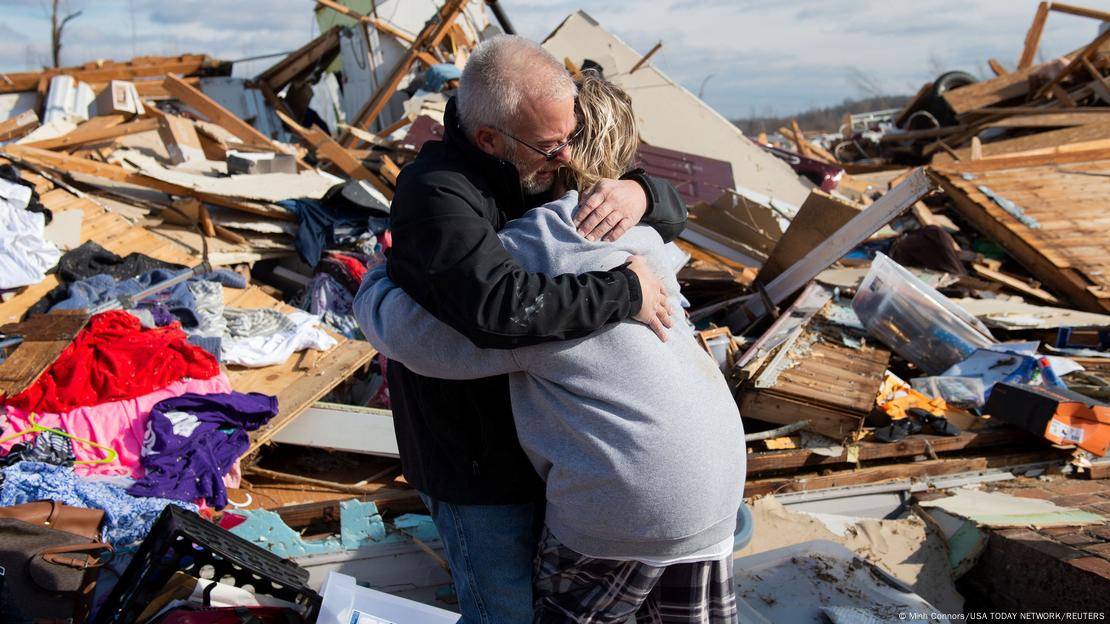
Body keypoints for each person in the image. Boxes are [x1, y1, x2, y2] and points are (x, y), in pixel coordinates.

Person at [356, 72, 745, 623]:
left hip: (627, 504)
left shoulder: (538, 250)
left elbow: (421, 335)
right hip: (715, 490)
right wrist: (642, 198)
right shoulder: (643, 241)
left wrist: (377, 278)